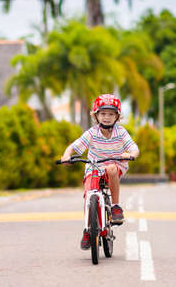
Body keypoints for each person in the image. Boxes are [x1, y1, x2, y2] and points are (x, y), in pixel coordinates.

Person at [60, 94, 139, 250]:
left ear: (117, 116)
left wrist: (130, 154)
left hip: (115, 165)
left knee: (111, 169)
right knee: (89, 194)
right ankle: (88, 230)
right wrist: (66, 155)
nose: (107, 117)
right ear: (96, 115)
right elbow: (74, 147)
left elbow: (134, 148)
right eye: (103, 114)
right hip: (94, 166)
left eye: (111, 114)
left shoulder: (121, 132)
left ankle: (115, 206)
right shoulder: (92, 133)